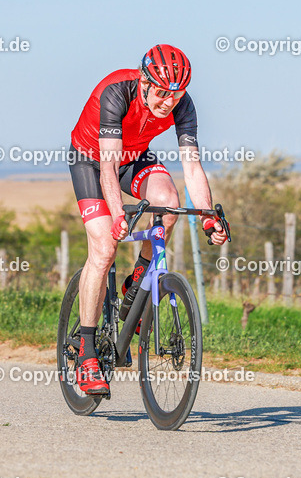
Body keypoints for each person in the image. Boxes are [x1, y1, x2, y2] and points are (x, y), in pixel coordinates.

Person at [67, 44, 228, 396]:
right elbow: (108, 166)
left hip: (134, 158)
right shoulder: (116, 91)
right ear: (144, 80)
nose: (168, 102)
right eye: (161, 93)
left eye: (177, 94)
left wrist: (207, 218)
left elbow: (191, 166)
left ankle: (137, 283)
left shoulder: (182, 106)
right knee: (105, 247)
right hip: (91, 161)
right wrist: (116, 217)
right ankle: (88, 353)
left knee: (169, 203)